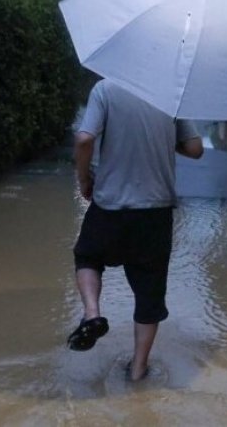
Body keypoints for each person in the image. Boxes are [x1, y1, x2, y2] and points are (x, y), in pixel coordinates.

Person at [67, 79, 204, 382]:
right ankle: (138, 370)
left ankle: (92, 314)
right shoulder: (173, 92)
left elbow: (84, 140)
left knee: (88, 257)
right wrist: (163, 139)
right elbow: (195, 149)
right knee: (149, 294)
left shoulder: (105, 89)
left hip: (110, 205)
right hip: (156, 213)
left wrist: (84, 180)